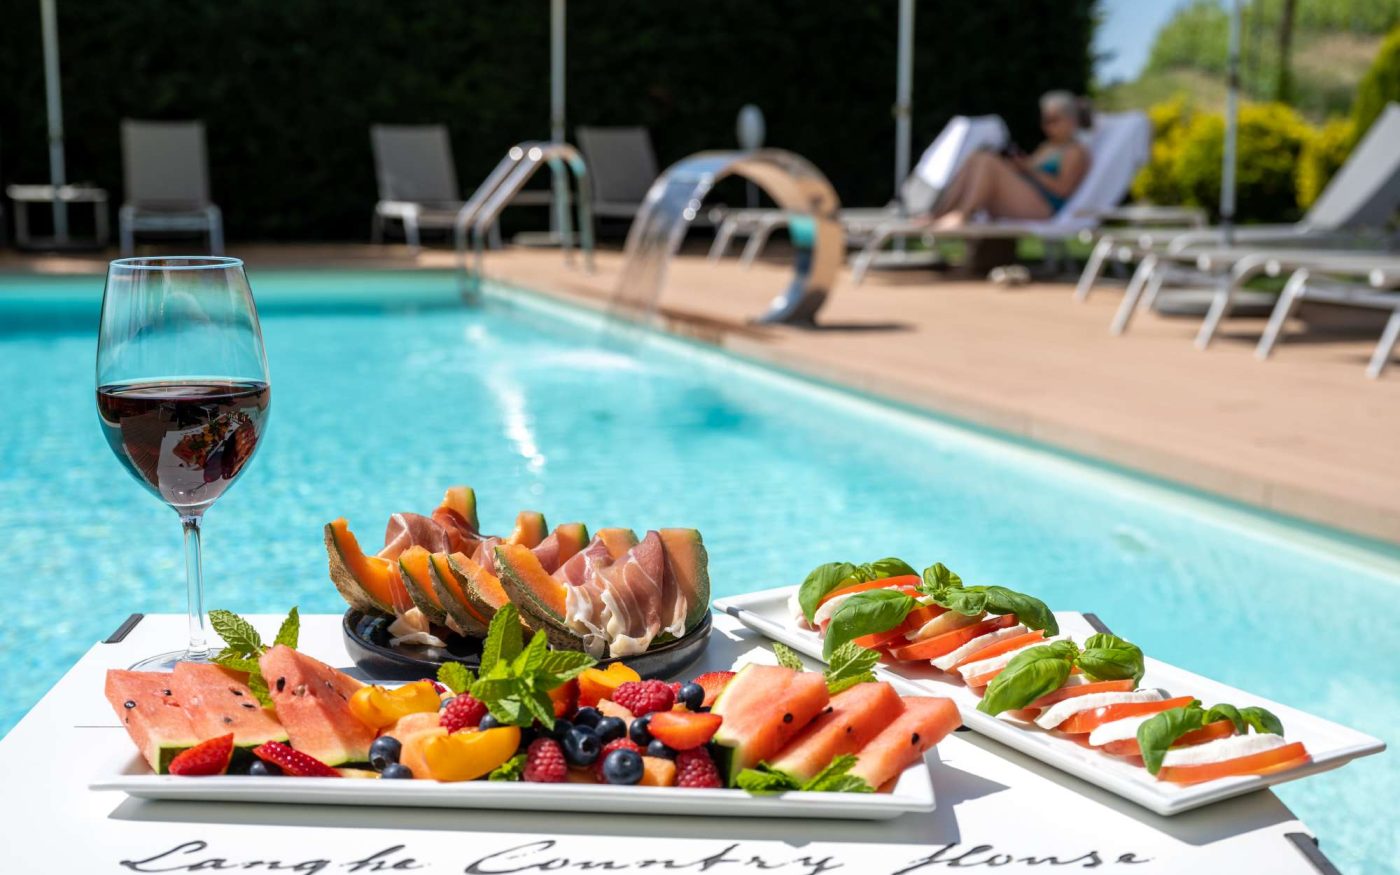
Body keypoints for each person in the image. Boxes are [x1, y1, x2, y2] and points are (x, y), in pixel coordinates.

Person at [929, 91, 1091, 229]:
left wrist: (1028, 168)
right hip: (1026, 197)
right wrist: (1017, 166)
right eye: (1045, 120)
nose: (1046, 126)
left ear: (1072, 121)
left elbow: (1062, 189)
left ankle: (963, 214)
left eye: (1054, 120)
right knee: (976, 157)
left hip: (1044, 208)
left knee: (986, 161)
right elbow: (1029, 172)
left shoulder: (1075, 152)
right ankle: (939, 212)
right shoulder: (1047, 147)